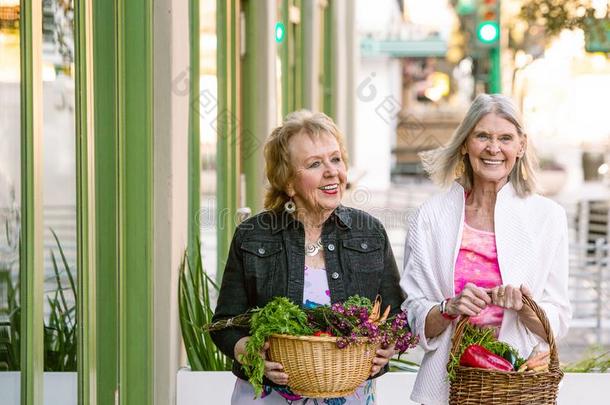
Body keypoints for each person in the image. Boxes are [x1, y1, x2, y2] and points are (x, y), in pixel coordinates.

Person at [211, 110, 405, 404]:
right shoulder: (254, 235)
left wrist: (388, 346)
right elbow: (224, 324)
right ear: (288, 182)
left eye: (335, 159)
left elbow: (397, 316)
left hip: (347, 394)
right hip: (268, 396)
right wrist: (249, 351)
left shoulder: (370, 233)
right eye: (315, 163)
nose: (331, 171)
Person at [400, 94, 571, 405]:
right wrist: (448, 307)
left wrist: (525, 307)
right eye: (482, 136)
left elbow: (556, 320)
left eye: (505, 138)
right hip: (448, 383)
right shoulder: (431, 216)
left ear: (521, 146)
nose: (494, 148)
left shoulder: (548, 218)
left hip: (518, 382)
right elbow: (414, 315)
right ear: (466, 143)